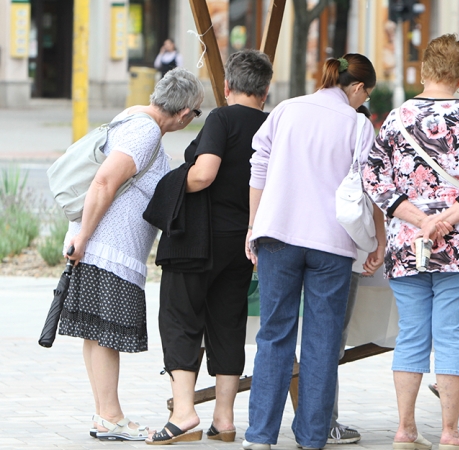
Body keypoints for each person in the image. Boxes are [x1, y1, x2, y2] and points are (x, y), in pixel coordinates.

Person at [364, 34, 459, 450]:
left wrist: (421, 219)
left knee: (411, 335)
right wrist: (448, 218)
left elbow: (374, 177)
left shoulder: (395, 118)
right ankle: (450, 432)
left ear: (424, 71)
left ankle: (405, 430)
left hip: (409, 242)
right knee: (453, 337)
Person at [242, 53, 383, 450]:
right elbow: (368, 190)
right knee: (322, 342)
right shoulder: (357, 125)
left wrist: (253, 226)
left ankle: (259, 437)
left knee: (274, 335)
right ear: (356, 88)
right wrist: (377, 242)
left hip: (277, 234)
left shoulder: (286, 110)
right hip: (331, 243)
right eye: (365, 93)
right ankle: (312, 437)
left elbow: (259, 169)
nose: (363, 101)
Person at [57, 68, 204, 441]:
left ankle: (106, 414)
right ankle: (111, 416)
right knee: (105, 334)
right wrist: (86, 238)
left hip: (100, 245)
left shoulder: (134, 115)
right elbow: (105, 180)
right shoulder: (145, 130)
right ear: (185, 112)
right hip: (108, 248)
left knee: (96, 333)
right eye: (196, 113)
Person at [143, 50, 273, 445]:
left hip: (198, 238)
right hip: (244, 241)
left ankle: (184, 415)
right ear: (265, 91)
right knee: (228, 323)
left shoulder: (221, 118)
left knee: (181, 319)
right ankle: (225, 419)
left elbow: (203, 174)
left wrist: (168, 185)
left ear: (227, 86)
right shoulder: (272, 125)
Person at [327, 104, 381, 446]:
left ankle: (315, 418)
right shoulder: (360, 136)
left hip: (296, 249)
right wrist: (380, 244)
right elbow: (375, 195)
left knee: (295, 338)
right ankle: (324, 420)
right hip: (343, 258)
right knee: (330, 342)